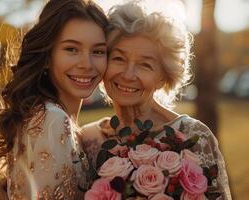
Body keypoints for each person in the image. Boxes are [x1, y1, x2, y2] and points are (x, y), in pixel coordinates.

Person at [81, 2, 232, 199]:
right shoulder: (88, 138)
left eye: (145, 65)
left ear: (163, 77)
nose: (128, 74)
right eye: (118, 58)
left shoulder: (195, 136)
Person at [0, 0, 108, 199]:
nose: (87, 64)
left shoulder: (44, 114)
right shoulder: (53, 119)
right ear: (47, 56)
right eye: (71, 49)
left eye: (98, 51)